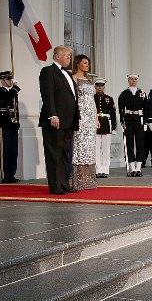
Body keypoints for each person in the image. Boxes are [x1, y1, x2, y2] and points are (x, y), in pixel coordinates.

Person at [39, 45, 78, 195]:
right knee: (54, 153)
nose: (69, 58)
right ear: (57, 56)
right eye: (67, 55)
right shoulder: (48, 71)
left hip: (68, 121)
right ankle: (55, 186)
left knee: (64, 154)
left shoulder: (67, 73)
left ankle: (64, 184)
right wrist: (52, 115)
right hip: (55, 120)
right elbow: (47, 94)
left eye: (70, 56)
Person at [69, 54, 97, 190]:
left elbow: (93, 101)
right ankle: (78, 179)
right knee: (80, 147)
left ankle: (88, 179)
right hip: (80, 117)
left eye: (88, 63)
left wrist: (96, 118)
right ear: (78, 64)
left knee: (89, 147)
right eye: (85, 63)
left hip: (90, 117)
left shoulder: (89, 80)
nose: (87, 65)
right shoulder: (73, 79)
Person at [118, 74, 149, 176]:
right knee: (129, 143)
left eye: (135, 79)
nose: (133, 81)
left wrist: (145, 122)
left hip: (139, 119)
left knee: (140, 143)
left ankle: (139, 167)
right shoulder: (124, 93)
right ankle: (131, 167)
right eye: (131, 79)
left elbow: (146, 108)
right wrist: (122, 120)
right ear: (128, 80)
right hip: (128, 119)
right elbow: (121, 108)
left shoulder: (142, 93)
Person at [0, 70, 21, 183]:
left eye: (11, 79)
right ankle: (5, 174)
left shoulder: (13, 92)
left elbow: (15, 108)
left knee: (13, 150)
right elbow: (6, 100)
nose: (10, 81)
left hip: (13, 124)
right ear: (2, 80)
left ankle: (11, 174)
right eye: (8, 79)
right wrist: (14, 88)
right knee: (5, 149)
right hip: (4, 123)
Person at [93, 78, 117, 178]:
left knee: (106, 148)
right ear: (95, 87)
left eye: (101, 86)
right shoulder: (91, 98)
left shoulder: (109, 98)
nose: (99, 87)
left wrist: (114, 127)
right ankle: (98, 169)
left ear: (104, 87)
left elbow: (113, 113)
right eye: (98, 85)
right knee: (96, 148)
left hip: (106, 123)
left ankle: (105, 169)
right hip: (95, 123)